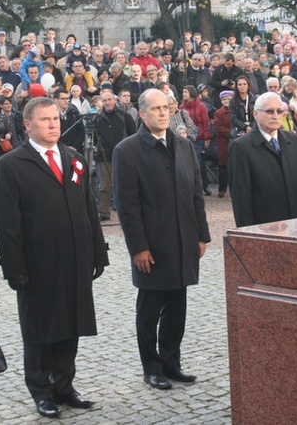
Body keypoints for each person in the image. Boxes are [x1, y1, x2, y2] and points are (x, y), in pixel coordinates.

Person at [0, 96, 108, 419]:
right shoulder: (12, 165)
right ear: (27, 125)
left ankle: (65, 385)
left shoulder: (72, 158)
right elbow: (8, 224)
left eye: (55, 119)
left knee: (71, 324)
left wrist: (98, 252)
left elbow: (89, 210)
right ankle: (41, 390)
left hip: (74, 259)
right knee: (40, 330)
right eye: (44, 120)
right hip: (37, 265)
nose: (53, 125)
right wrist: (14, 268)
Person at [113, 89, 210, 391]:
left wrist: (202, 235)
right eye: (155, 108)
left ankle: (171, 362)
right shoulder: (126, 151)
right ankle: (151, 367)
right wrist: (138, 247)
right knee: (150, 310)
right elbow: (127, 206)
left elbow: (196, 193)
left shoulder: (184, 146)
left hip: (183, 241)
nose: (163, 113)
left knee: (177, 308)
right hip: (152, 246)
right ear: (141, 113)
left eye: (166, 107)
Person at [228, 91, 297, 227]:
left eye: (280, 111)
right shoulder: (241, 147)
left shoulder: (293, 140)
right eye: (269, 111)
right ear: (255, 114)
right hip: (265, 228)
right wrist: (248, 235)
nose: (275, 116)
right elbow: (241, 198)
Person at [94, 90, 136, 221]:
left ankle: (127, 211)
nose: (107, 103)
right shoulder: (97, 118)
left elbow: (133, 135)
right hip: (104, 157)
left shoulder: (125, 116)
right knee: (103, 187)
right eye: (104, 100)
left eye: (109, 99)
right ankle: (104, 212)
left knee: (125, 185)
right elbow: (95, 137)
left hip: (122, 156)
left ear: (115, 100)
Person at [213, 90, 233, 197]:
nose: (226, 101)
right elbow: (218, 127)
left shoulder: (235, 111)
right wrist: (230, 133)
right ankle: (222, 188)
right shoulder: (218, 113)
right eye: (224, 99)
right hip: (224, 141)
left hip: (235, 140)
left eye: (228, 99)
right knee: (223, 166)